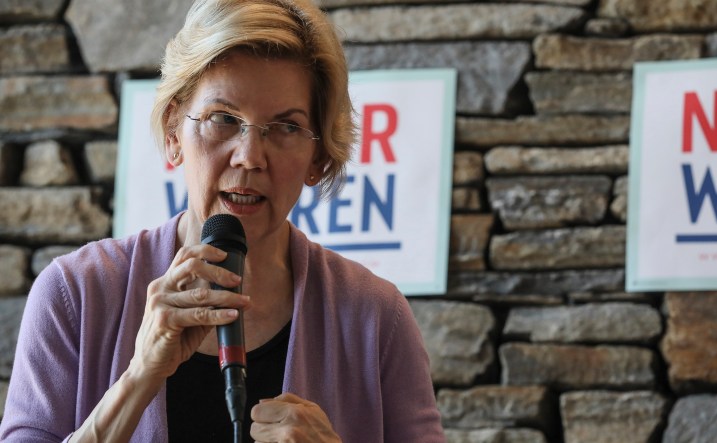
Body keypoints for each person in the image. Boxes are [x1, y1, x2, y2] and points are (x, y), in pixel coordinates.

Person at [0, 0, 446, 441]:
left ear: (318, 157)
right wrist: (137, 379)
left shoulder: (376, 317)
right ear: (175, 134)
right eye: (224, 119)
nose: (250, 156)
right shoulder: (75, 293)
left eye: (287, 127)